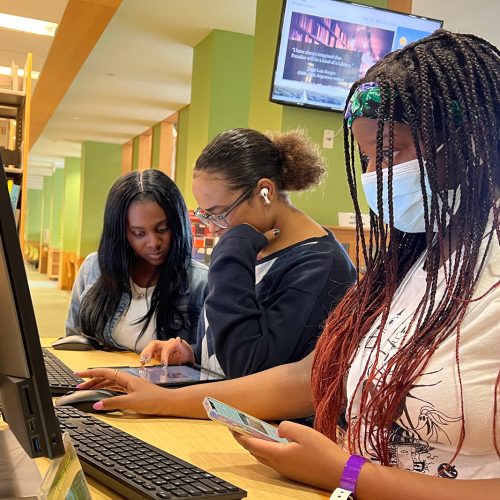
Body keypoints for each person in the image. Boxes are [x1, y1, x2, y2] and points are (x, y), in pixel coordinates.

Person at [77, 30, 499, 498]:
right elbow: (311, 375)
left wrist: (352, 474)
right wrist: (163, 399)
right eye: (365, 159)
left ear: (471, 142)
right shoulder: (406, 262)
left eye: (389, 153)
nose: (375, 177)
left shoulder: (324, 263)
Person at [138, 127, 356, 378]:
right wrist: (193, 353)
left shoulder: (319, 266)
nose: (211, 227)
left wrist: (229, 252)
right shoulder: (249, 245)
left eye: (219, 213)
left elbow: (250, 368)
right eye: (205, 214)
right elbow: (234, 338)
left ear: (265, 192)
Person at [65, 169, 208, 352]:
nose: (154, 243)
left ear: (177, 224)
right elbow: (73, 341)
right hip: (99, 379)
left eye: (163, 229)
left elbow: (212, 360)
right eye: (139, 234)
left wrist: (187, 353)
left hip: (160, 381)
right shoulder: (94, 268)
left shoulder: (202, 283)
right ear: (121, 233)